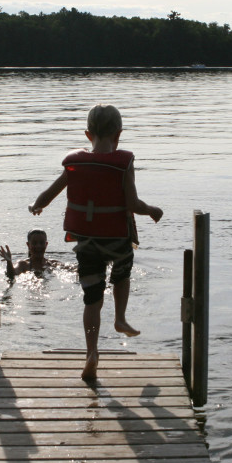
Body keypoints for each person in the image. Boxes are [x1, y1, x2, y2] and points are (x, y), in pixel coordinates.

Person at [28, 104, 163, 380]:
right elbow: (132, 203)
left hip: (87, 243)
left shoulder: (76, 164)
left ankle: (91, 352)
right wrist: (151, 210)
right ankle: (121, 317)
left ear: (88, 135)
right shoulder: (123, 164)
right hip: (117, 241)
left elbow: (50, 194)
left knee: (92, 299)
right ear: (119, 134)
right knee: (122, 274)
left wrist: (36, 205)